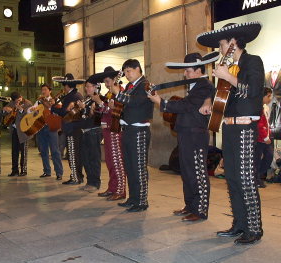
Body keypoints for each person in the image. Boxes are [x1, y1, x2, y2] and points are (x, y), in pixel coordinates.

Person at [197, 21, 264, 244]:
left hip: (245, 127)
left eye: (221, 44)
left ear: (233, 43)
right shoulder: (230, 69)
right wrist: (210, 102)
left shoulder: (252, 62)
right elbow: (222, 97)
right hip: (229, 127)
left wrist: (226, 76)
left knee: (246, 180)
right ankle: (239, 224)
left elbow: (253, 91)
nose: (219, 49)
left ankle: (254, 229)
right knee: (232, 178)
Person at [148, 52, 218, 221]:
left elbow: (186, 105)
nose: (185, 74)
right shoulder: (195, 86)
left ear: (199, 70)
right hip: (187, 133)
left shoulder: (204, 85)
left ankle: (200, 210)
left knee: (198, 173)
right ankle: (190, 205)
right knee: (186, 172)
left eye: (188, 70)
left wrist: (161, 102)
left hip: (196, 134)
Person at [110, 59, 154, 212]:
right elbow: (125, 104)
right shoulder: (130, 86)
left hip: (139, 131)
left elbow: (135, 102)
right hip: (128, 130)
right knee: (130, 166)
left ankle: (142, 201)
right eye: (125, 71)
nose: (127, 75)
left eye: (129, 71)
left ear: (138, 69)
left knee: (139, 167)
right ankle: (133, 198)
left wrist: (118, 94)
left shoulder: (145, 85)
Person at [89, 66, 127, 201]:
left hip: (115, 131)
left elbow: (116, 112)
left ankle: (120, 190)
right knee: (110, 161)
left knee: (117, 161)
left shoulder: (120, 93)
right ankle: (112, 188)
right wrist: (97, 106)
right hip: (107, 131)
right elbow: (104, 111)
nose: (106, 84)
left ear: (114, 80)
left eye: (108, 81)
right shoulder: (109, 94)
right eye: (105, 82)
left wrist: (100, 103)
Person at [51, 74, 85, 185]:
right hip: (75, 128)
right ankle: (78, 176)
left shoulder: (71, 96)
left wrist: (52, 107)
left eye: (64, 86)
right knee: (76, 154)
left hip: (72, 129)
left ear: (68, 86)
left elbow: (64, 112)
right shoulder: (77, 95)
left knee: (72, 154)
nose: (63, 88)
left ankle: (75, 177)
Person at [75, 77, 103, 192]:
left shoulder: (99, 99)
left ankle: (95, 182)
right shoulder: (87, 99)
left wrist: (85, 108)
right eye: (86, 86)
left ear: (96, 87)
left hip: (94, 131)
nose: (86, 88)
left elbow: (97, 117)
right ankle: (89, 181)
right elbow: (83, 116)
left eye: (89, 86)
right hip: (85, 131)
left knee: (94, 158)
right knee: (85, 158)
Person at [30, 84, 63, 180]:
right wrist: (33, 110)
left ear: (50, 91)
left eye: (45, 89)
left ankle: (59, 172)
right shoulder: (39, 101)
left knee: (55, 151)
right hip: (41, 127)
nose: (43, 91)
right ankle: (47, 171)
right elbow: (32, 112)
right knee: (43, 151)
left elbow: (59, 111)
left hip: (51, 127)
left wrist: (52, 105)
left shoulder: (55, 100)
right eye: (42, 90)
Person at [3, 92, 32, 177]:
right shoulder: (12, 103)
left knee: (23, 151)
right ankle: (14, 170)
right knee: (14, 151)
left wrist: (21, 110)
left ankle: (24, 170)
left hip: (24, 131)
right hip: (15, 130)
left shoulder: (28, 103)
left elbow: (30, 115)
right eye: (15, 101)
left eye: (18, 100)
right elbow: (4, 113)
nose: (16, 102)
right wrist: (5, 109)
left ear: (21, 97)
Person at [255, 87, 273, 188]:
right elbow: (259, 125)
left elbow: (265, 123)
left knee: (268, 156)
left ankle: (257, 176)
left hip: (265, 137)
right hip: (260, 138)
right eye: (268, 96)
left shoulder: (264, 107)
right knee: (257, 158)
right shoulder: (258, 107)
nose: (269, 98)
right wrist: (265, 137)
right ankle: (256, 178)